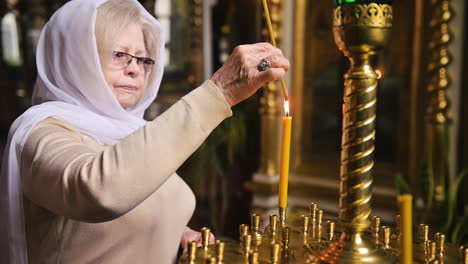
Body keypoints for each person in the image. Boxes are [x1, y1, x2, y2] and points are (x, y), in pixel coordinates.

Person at [0, 0, 290, 263]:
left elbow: (136, 201)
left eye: (143, 59)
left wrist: (178, 233)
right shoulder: (40, 134)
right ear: (75, 58)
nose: (135, 70)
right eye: (119, 55)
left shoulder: (130, 129)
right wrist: (219, 92)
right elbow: (97, 189)